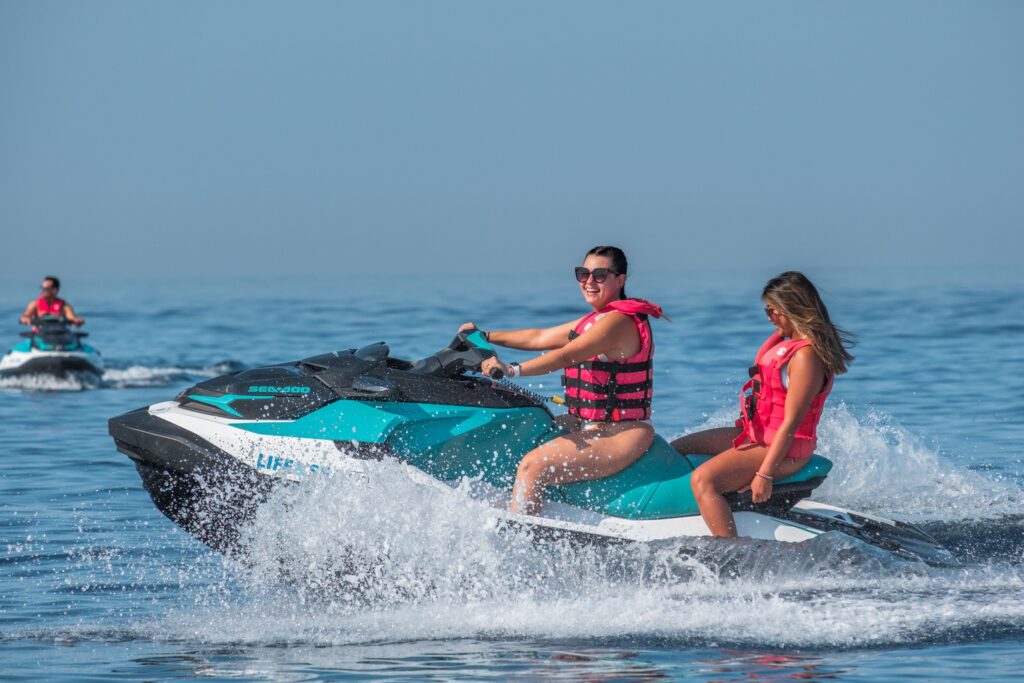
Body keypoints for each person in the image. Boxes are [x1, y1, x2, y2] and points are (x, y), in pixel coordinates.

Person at [462, 245, 665, 515]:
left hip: (622, 433)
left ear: (621, 279)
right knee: (521, 433)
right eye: (583, 274)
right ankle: (517, 509)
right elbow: (539, 337)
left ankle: (518, 542)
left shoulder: (618, 323)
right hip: (589, 424)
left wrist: (511, 370)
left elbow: (566, 356)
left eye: (600, 275)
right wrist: (485, 336)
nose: (589, 282)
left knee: (532, 466)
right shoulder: (595, 320)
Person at [671, 271, 854, 537]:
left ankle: (730, 552)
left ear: (790, 309)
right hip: (759, 436)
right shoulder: (791, 346)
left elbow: (790, 421)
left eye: (771, 311)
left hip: (785, 450)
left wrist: (765, 474)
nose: (768, 318)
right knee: (681, 447)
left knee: (703, 480)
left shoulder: (806, 357)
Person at [19, 276, 85, 327]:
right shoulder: (34, 304)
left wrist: (76, 321)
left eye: (45, 289)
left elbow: (71, 317)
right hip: (40, 336)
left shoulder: (64, 306)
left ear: (54, 290)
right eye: (41, 287)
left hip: (59, 336)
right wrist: (25, 319)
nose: (42, 290)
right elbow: (26, 315)